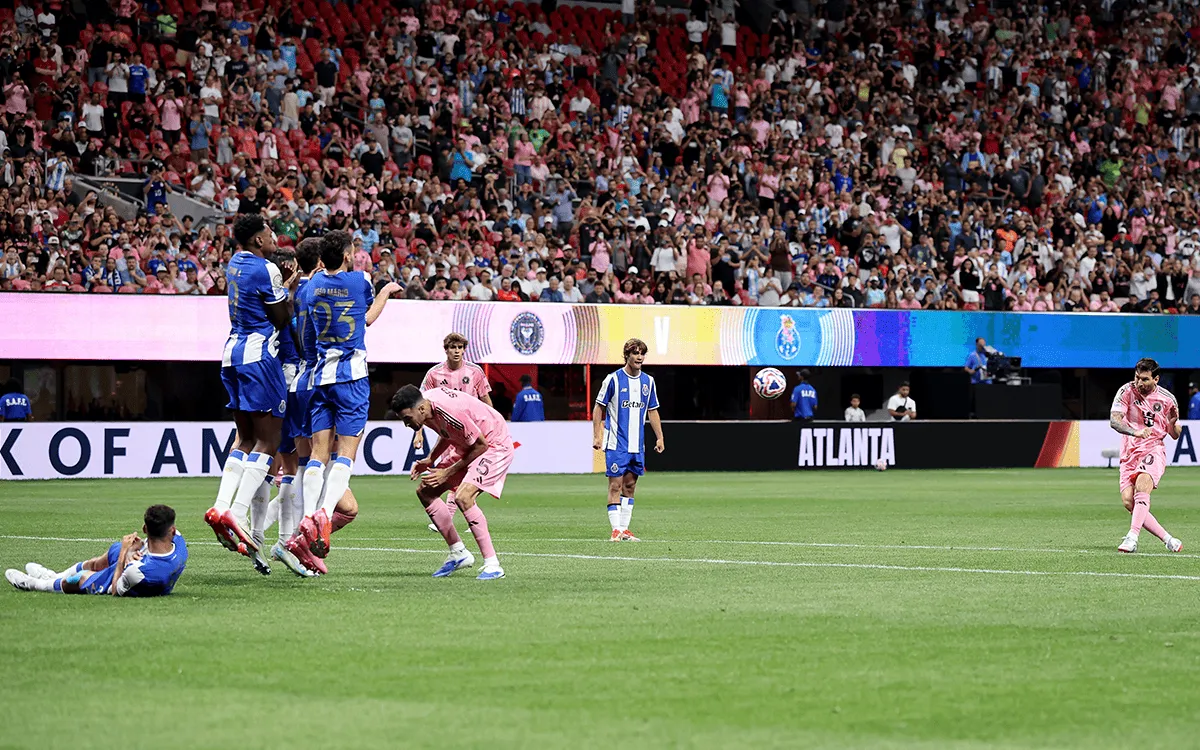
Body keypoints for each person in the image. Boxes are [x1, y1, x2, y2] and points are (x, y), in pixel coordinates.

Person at [287, 231, 399, 563]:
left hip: (320, 377)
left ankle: (309, 516)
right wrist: (386, 292)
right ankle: (323, 513)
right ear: (348, 257)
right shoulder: (360, 281)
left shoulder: (313, 286)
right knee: (345, 455)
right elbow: (366, 318)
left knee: (317, 454)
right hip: (351, 377)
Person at [205, 214, 295, 576]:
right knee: (269, 442)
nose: (275, 237)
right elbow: (281, 320)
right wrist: (288, 288)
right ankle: (236, 513)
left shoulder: (235, 263)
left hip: (231, 353)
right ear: (258, 240)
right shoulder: (266, 269)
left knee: (244, 438)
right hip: (259, 358)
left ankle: (220, 504)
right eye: (270, 233)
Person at [389, 385, 510, 580]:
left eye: (407, 419)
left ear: (420, 410)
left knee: (463, 497)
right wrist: (431, 459)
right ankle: (458, 552)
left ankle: (493, 564)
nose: (406, 425)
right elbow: (447, 432)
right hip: (469, 446)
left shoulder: (449, 410)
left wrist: (447, 472)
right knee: (426, 492)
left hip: (494, 444)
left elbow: (481, 445)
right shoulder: (425, 409)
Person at [6, 505, 187, 596]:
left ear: (144, 528)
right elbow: (158, 541)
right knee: (109, 554)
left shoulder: (135, 572)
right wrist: (133, 550)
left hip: (131, 582)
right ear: (172, 529)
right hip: (145, 563)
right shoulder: (179, 545)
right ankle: (53, 575)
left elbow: (116, 590)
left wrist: (126, 552)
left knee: (81, 578)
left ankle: (33, 584)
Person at [416, 332, 494, 531]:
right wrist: (418, 432)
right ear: (446, 350)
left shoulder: (475, 372)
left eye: (460, 348)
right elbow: (420, 405)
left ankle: (456, 515)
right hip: (451, 430)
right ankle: (468, 515)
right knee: (459, 471)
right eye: (453, 348)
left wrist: (494, 424)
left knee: (462, 471)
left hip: (474, 429)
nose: (457, 351)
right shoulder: (434, 374)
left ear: (464, 350)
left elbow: (486, 401)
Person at [592, 338, 665, 542]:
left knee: (630, 486)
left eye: (642, 353)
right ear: (627, 356)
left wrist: (660, 437)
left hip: (637, 445)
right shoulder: (613, 379)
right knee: (615, 485)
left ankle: (624, 529)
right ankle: (615, 530)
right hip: (616, 443)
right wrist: (597, 435)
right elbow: (599, 407)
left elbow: (653, 410)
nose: (639, 356)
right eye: (635, 353)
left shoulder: (648, 382)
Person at [1110, 359, 1184, 554]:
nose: (1138, 383)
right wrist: (1135, 433)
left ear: (1156, 379)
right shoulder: (1126, 391)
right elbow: (1114, 421)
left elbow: (1174, 434)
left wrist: (1175, 425)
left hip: (1153, 449)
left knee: (1143, 485)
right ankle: (1168, 539)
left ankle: (1132, 537)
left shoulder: (1168, 399)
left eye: (1144, 379)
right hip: (1129, 451)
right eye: (1136, 378)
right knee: (1128, 501)